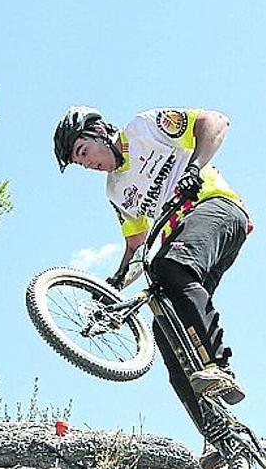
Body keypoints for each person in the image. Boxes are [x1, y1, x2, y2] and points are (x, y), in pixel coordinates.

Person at [53, 106, 252, 433]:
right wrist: (113, 285)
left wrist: (194, 168)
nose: (88, 164)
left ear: (99, 131)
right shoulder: (115, 190)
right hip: (179, 240)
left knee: (169, 265)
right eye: (80, 163)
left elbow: (216, 122)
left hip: (216, 208)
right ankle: (220, 436)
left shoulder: (145, 128)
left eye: (84, 152)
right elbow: (135, 246)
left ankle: (219, 366)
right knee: (165, 330)